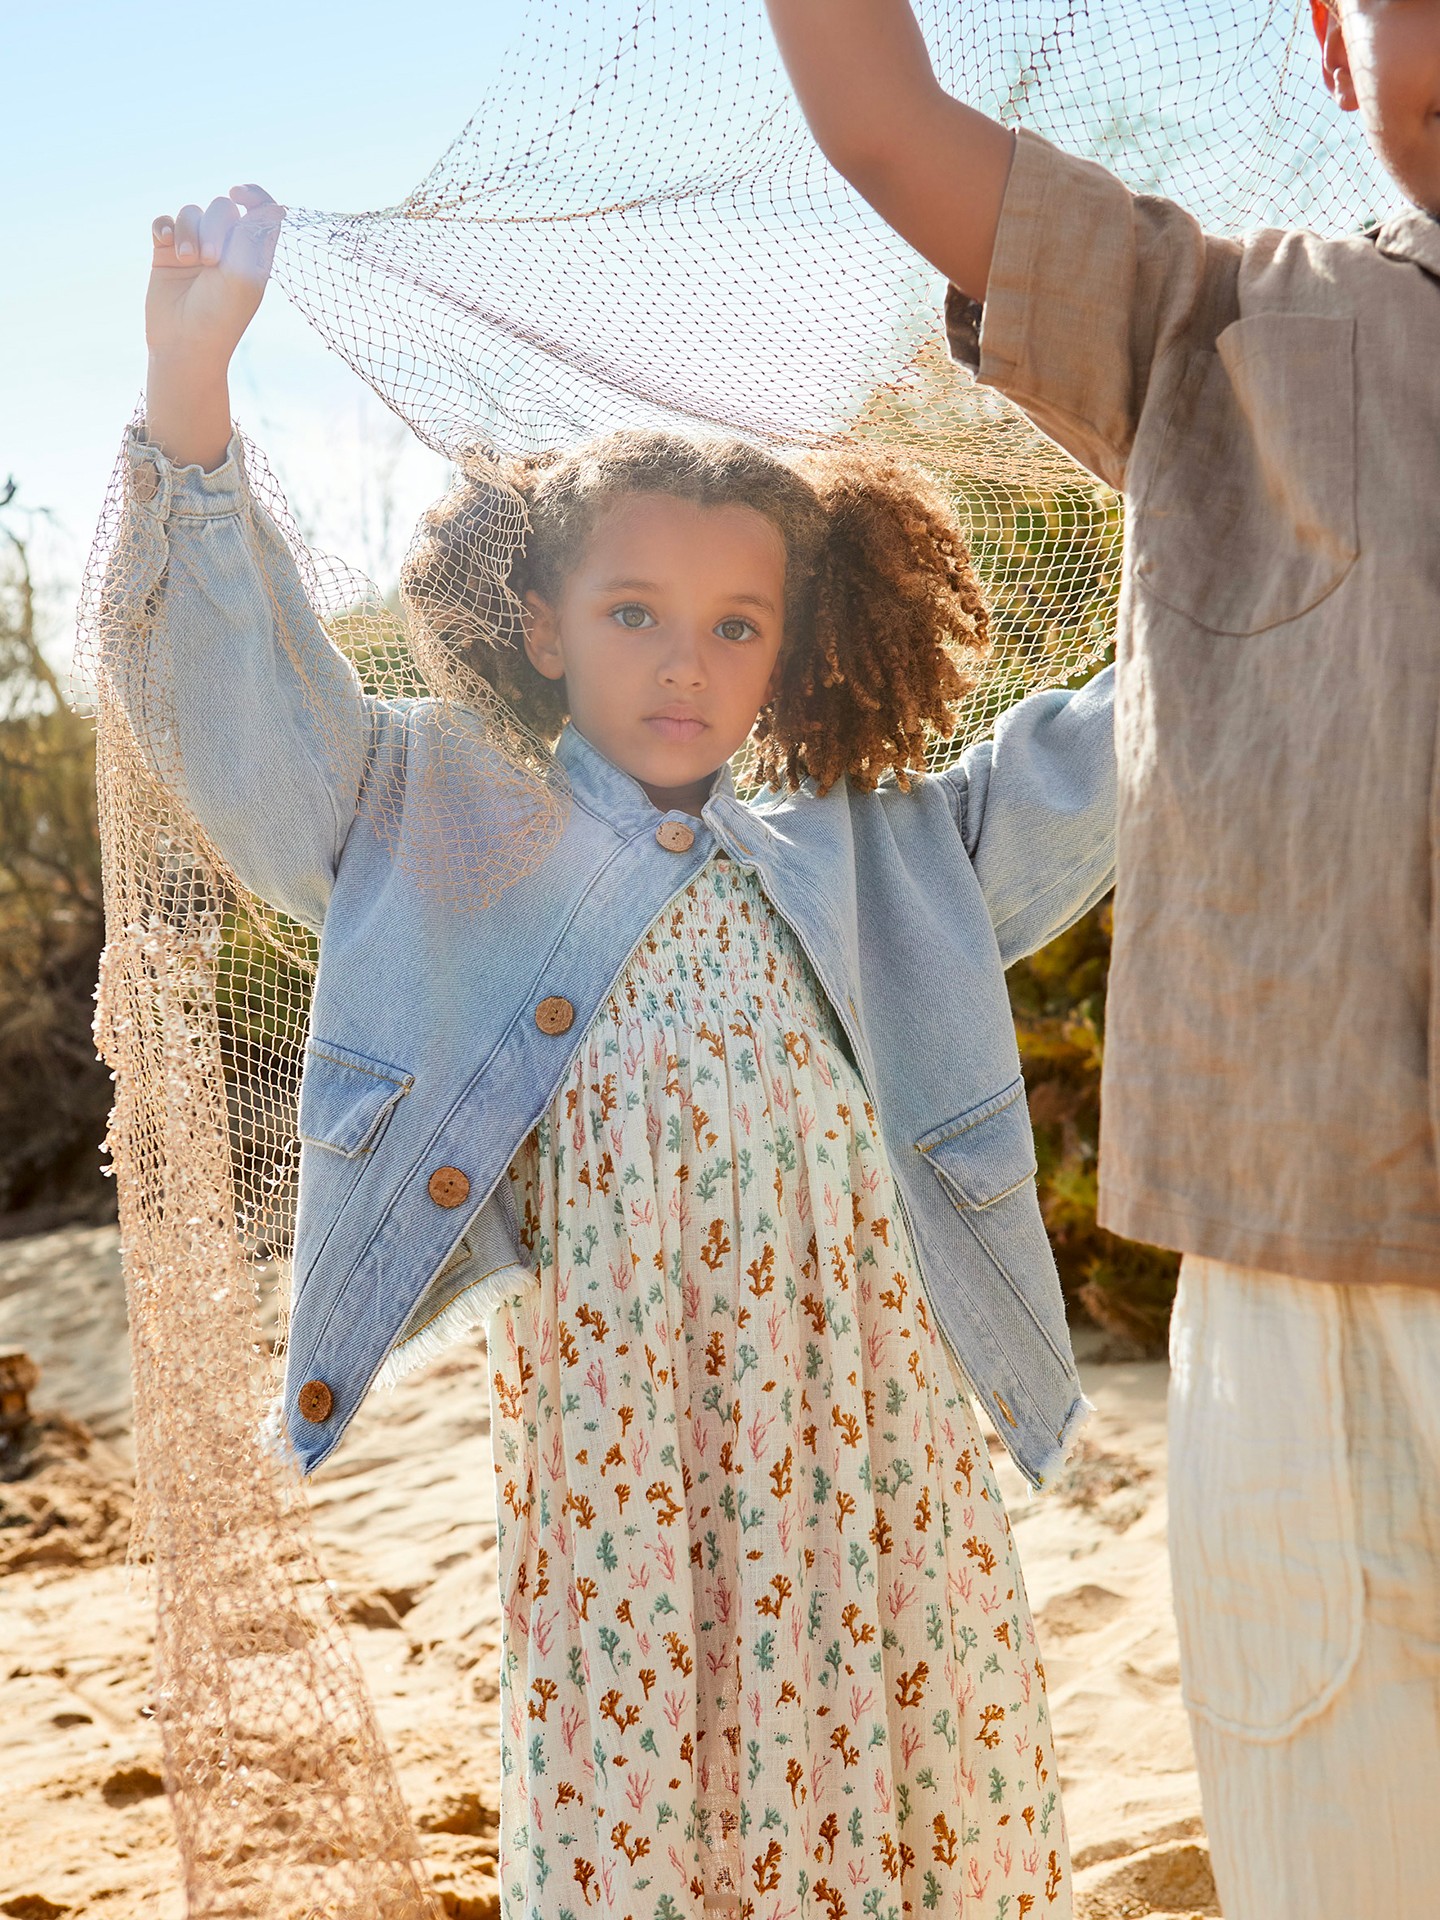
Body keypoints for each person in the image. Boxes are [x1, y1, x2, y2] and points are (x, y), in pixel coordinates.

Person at [119, 182, 1117, 1920]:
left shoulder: (886, 844)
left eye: (739, 624)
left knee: (907, 1762)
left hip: (864, 1405)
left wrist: (1241, 499)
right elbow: (247, 710)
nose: (687, 660)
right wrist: (190, 380)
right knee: (652, 1780)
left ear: (792, 646)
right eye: (636, 612)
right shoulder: (437, 813)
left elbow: (1141, 743)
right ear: (539, 626)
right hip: (618, 1421)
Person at [761, 2, 1440, 1915]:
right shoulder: (1214, 321)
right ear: (1332, 38)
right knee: (1345, 1837)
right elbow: (885, 122)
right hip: (1313, 1264)